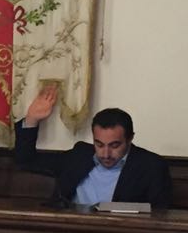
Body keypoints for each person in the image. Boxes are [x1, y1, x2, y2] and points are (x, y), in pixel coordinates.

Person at [13, 85, 173, 209]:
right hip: (68, 230)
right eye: (99, 144)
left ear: (130, 139)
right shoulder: (79, 156)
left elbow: (159, 214)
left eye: (114, 145)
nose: (106, 154)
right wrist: (32, 120)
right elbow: (26, 161)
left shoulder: (151, 166)